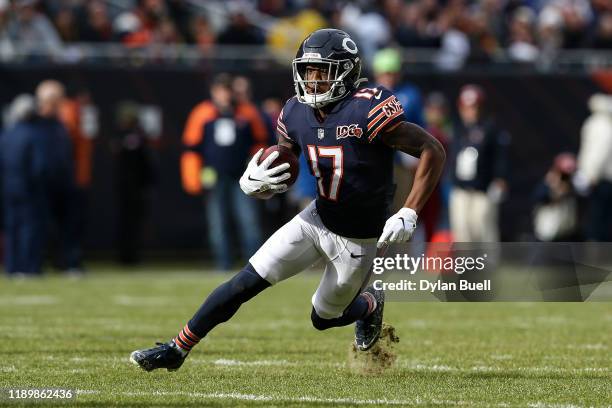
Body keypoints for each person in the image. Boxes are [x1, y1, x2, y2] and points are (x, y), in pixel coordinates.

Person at [130, 29, 445, 371]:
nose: (312, 80)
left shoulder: (367, 107)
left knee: (323, 317)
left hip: (357, 237)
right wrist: (258, 181)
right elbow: (284, 160)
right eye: (307, 71)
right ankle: (177, 349)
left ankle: (369, 304)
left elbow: (432, 149)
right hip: (316, 218)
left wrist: (410, 210)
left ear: (346, 72)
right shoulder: (296, 111)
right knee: (245, 281)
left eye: (321, 71)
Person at [181, 74, 269, 270]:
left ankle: (255, 267)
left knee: (248, 220)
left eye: (227, 90)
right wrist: (192, 177)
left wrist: (257, 168)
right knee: (217, 222)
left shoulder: (246, 112)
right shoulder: (202, 113)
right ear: (213, 92)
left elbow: (260, 142)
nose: (224, 95)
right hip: (213, 176)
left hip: (242, 176)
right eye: (220, 90)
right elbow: (191, 147)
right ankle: (223, 263)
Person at [449, 84, 510, 242]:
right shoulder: (457, 129)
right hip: (460, 188)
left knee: (481, 226)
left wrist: (500, 178)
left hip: (482, 188)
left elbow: (500, 156)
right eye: (467, 107)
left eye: (475, 107)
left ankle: (486, 263)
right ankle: (466, 264)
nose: (471, 111)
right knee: (461, 229)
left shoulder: (490, 129)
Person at [1, 93, 43, 276]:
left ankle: (12, 267)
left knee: (12, 227)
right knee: (29, 228)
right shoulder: (33, 135)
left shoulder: (6, 135)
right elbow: (39, 166)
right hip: (28, 188)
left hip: (8, 188)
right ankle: (27, 267)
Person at [575, 94, 612, 241]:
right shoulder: (607, 123)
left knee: (597, 219)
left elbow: (598, 152)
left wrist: (589, 175)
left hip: (600, 180)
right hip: (604, 179)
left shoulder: (599, 124)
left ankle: (597, 256)